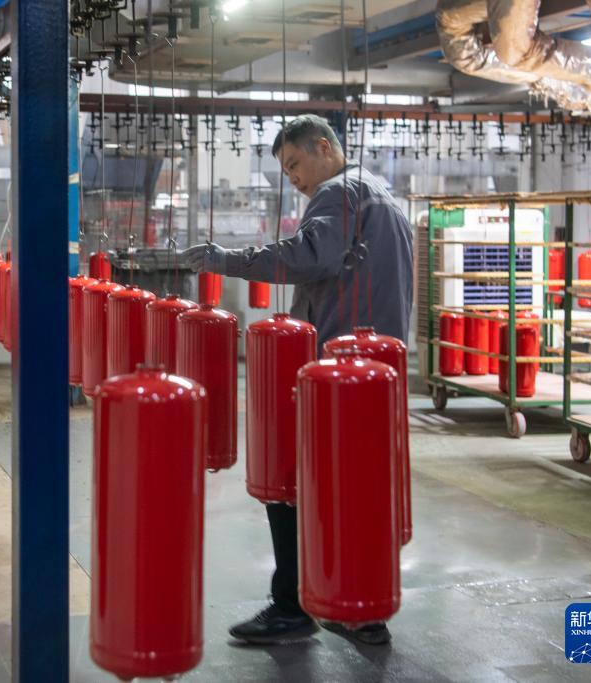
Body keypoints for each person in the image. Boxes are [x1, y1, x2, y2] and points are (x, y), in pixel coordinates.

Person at [182, 114, 413, 646]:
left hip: (336, 371)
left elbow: (308, 257)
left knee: (287, 478)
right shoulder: (383, 195)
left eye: (294, 163)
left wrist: (225, 259)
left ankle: (292, 607)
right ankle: (361, 608)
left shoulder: (338, 193)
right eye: (286, 171)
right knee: (357, 488)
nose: (293, 178)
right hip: (377, 371)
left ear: (323, 147)